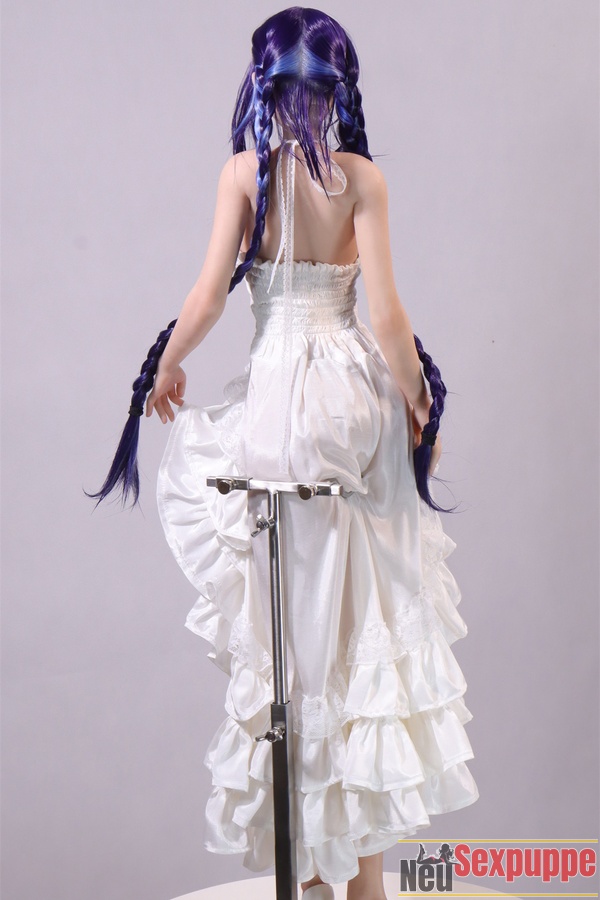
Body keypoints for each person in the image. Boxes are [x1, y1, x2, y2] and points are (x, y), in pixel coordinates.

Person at [86, 7, 479, 899]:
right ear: (340, 86)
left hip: (276, 412)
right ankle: (360, 872)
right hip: (350, 408)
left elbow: (207, 297)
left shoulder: (243, 174)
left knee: (293, 640)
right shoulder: (362, 180)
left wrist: (166, 366)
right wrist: (421, 405)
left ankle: (309, 863)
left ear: (259, 84)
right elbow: (387, 319)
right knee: (358, 624)